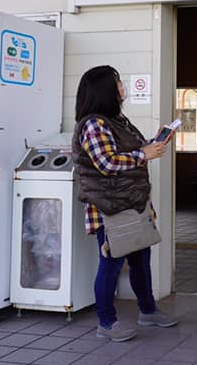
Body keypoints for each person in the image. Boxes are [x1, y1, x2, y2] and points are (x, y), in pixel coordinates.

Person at [72, 65, 179, 342]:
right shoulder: (94, 124)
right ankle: (106, 322)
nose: (123, 87)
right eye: (118, 82)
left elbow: (132, 150)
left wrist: (153, 143)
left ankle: (148, 310)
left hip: (132, 203)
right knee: (110, 262)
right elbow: (106, 163)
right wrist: (144, 154)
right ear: (106, 89)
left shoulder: (117, 120)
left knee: (141, 259)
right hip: (109, 209)